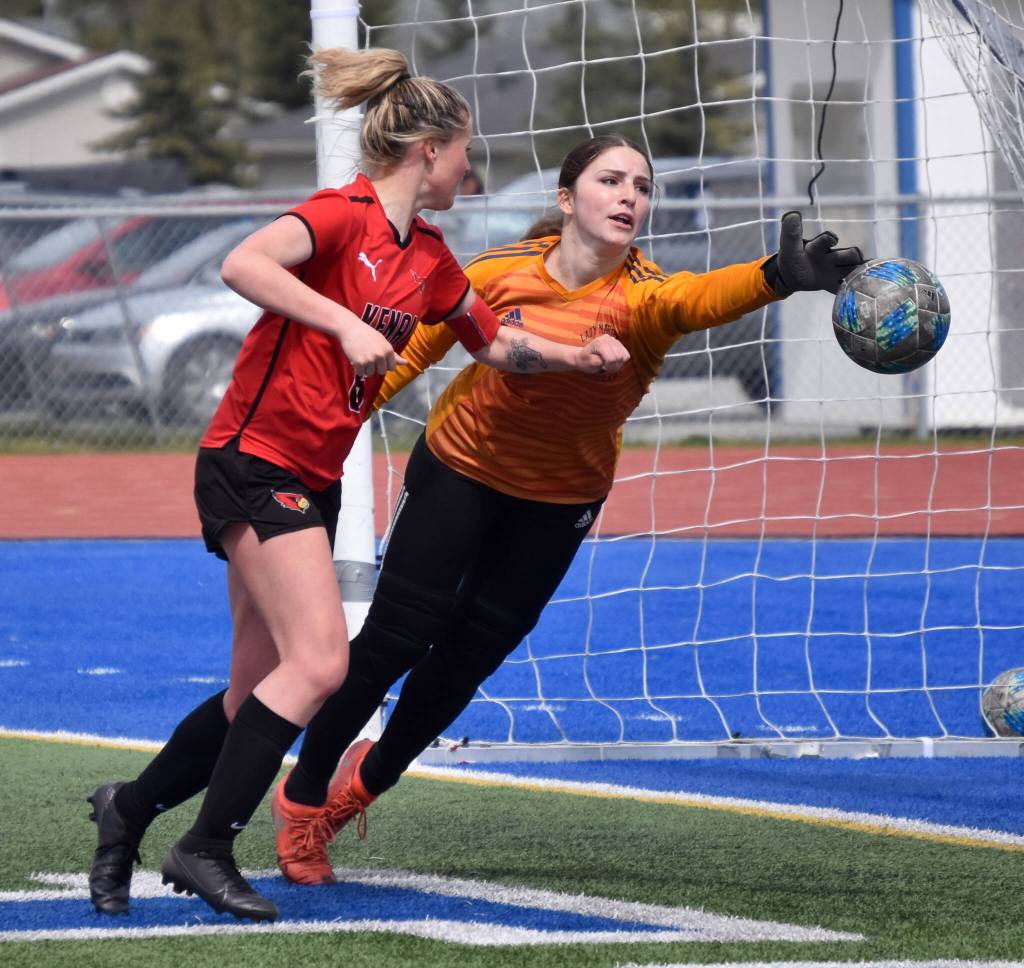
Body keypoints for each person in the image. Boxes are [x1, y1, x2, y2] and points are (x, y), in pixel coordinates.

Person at [85, 53, 628, 923]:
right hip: (252, 460)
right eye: (463, 152)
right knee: (323, 662)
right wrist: (340, 321)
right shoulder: (341, 216)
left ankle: (131, 808)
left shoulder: (434, 260)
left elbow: (493, 344)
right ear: (426, 151)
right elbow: (244, 264)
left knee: (253, 695)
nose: (470, 168)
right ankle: (206, 846)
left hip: (310, 477)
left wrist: (577, 356)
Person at [267, 133, 865, 886]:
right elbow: (408, 356)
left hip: (559, 501)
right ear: (565, 200)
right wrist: (315, 433)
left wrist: (780, 275)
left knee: (463, 664)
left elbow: (699, 296)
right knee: (394, 639)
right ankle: (301, 797)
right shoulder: (495, 273)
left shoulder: (645, 298)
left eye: (641, 187)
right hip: (459, 467)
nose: (629, 197)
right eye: (611, 180)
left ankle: (359, 789)